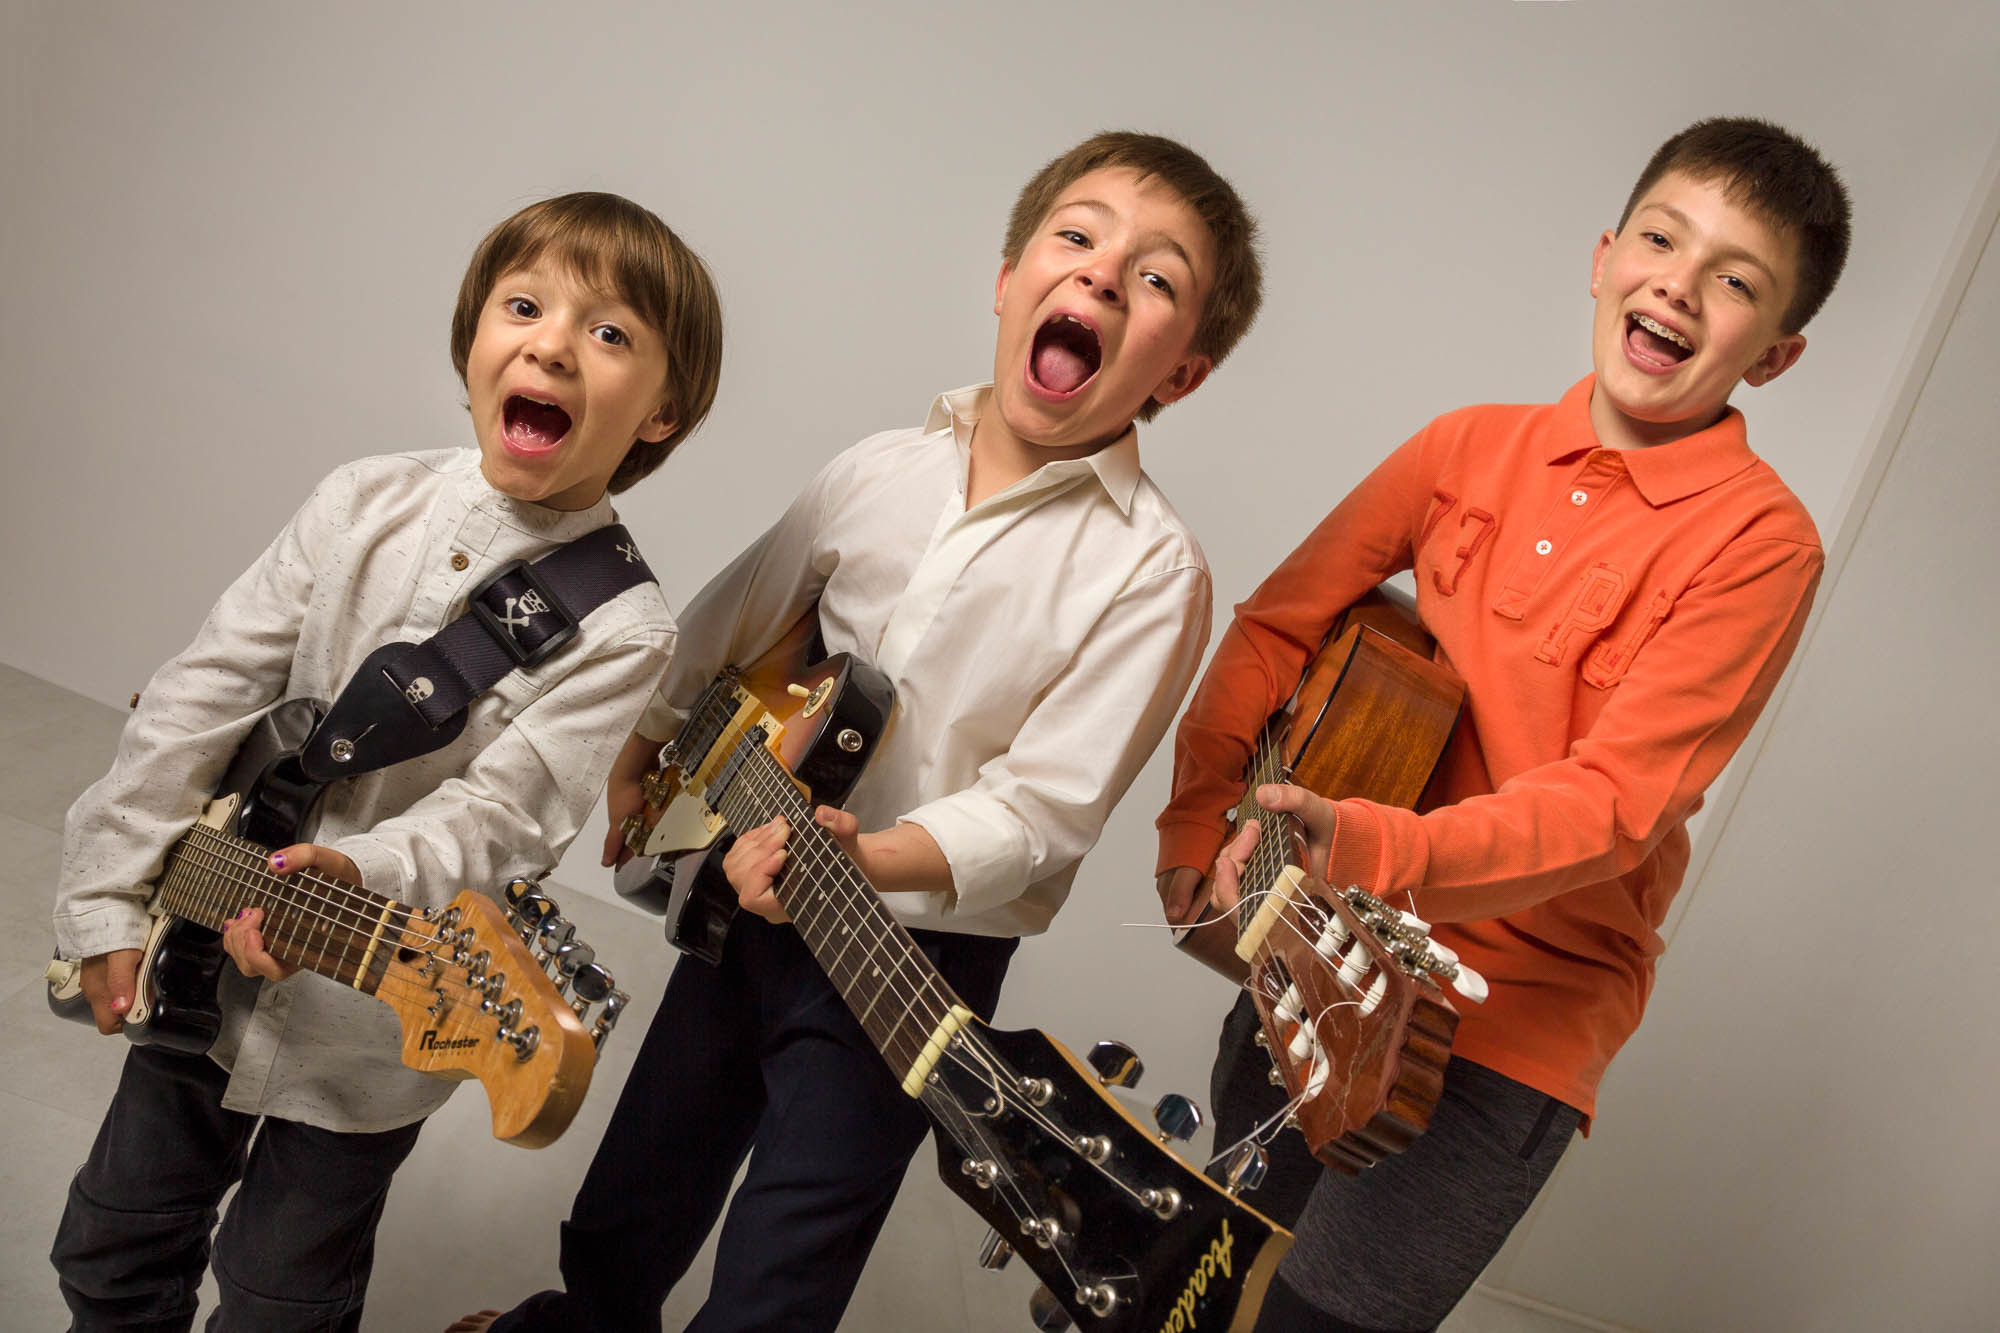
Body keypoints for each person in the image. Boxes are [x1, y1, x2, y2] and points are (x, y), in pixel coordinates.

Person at [457, 130, 1264, 1333]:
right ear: (1007, 281)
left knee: (788, 1255)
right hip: (744, 880)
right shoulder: (875, 470)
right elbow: (722, 629)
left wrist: (863, 859)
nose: (1099, 275)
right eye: (1077, 236)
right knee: (641, 1181)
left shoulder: (1152, 570)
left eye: (1153, 279)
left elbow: (1042, 810)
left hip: (912, 952)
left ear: (1179, 373)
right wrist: (640, 757)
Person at [1153, 117, 1852, 1332]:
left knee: (1313, 1322)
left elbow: (1614, 807)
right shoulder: (1460, 447)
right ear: (1602, 255)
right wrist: (1195, 819)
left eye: (1733, 281)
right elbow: (1273, 628)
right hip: (1315, 943)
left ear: (1774, 355)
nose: (1676, 286)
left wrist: (1368, 849)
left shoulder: (1760, 544)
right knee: (1201, 1293)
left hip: (1503, 1027)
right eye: (1659, 240)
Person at [49, 191, 725, 1333]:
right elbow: (200, 698)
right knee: (112, 1241)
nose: (553, 343)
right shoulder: (359, 500)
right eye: (524, 306)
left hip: (375, 1021)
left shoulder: (627, 630)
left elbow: (504, 815)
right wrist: (105, 895)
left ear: (661, 412)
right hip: (196, 960)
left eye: (610, 334)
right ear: (474, 343)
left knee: (282, 1298)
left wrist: (359, 872)